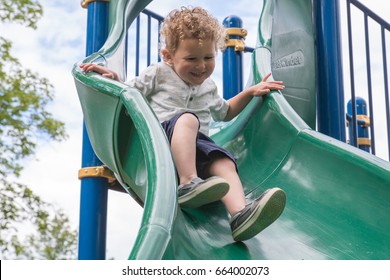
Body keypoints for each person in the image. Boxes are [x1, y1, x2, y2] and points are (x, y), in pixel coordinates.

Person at [80, 6, 286, 242]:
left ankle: (240, 214)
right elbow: (128, 93)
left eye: (208, 58)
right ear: (168, 56)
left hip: (196, 148)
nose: (201, 66)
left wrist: (250, 92)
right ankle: (188, 183)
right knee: (187, 119)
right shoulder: (158, 73)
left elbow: (226, 112)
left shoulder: (209, 88)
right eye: (191, 59)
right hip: (161, 143)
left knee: (224, 161)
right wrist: (115, 80)